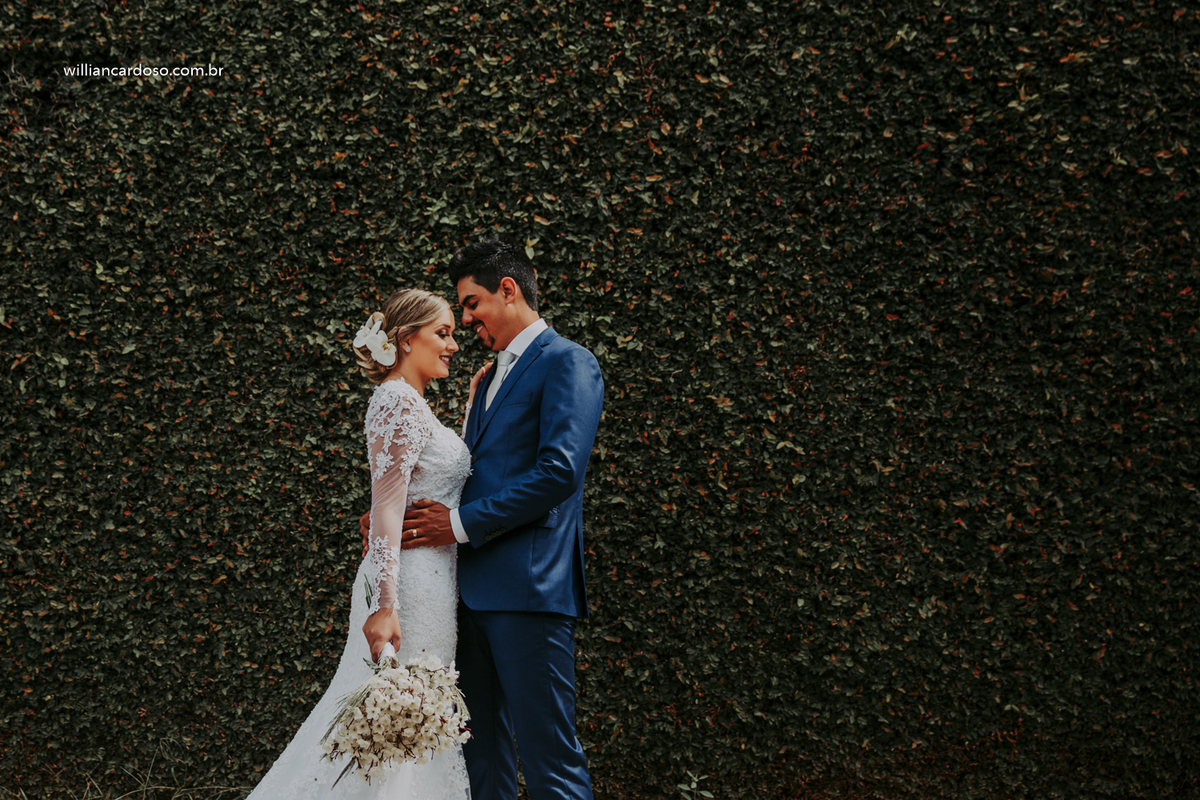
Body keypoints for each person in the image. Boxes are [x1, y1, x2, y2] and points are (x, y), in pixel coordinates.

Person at [247, 287, 487, 800]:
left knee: (415, 724)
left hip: (435, 583)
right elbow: (386, 509)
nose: (453, 345)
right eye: (442, 334)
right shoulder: (396, 401)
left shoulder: (413, 404)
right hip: (408, 588)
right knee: (396, 722)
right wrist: (384, 605)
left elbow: (433, 473)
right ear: (405, 339)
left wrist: (471, 410)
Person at [392, 236, 605, 800]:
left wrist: (458, 526)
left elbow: (559, 472)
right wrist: (394, 520)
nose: (465, 321)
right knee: (476, 757)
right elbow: (467, 475)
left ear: (507, 290)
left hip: (528, 593)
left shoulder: (569, 361)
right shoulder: (486, 380)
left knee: (550, 759)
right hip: (464, 595)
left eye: (470, 303)